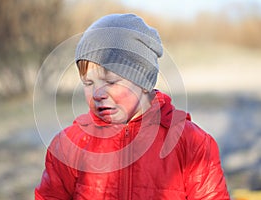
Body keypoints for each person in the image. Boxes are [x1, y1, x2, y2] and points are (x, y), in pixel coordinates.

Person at [35, 13, 230, 199]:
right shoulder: (70, 145)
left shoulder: (191, 143)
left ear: (143, 81)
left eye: (110, 82)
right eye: (88, 83)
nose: (97, 94)